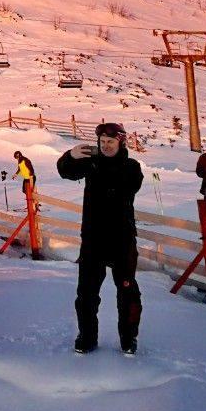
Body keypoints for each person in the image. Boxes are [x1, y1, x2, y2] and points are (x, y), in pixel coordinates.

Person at [57, 121, 144, 355]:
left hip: (122, 241)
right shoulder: (90, 163)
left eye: (110, 142)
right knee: (86, 294)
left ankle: (128, 339)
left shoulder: (131, 167)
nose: (105, 146)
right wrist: (70, 156)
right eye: (102, 142)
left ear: (120, 142)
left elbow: (131, 186)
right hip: (93, 241)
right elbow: (65, 172)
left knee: (127, 293)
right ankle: (86, 337)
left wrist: (106, 166)